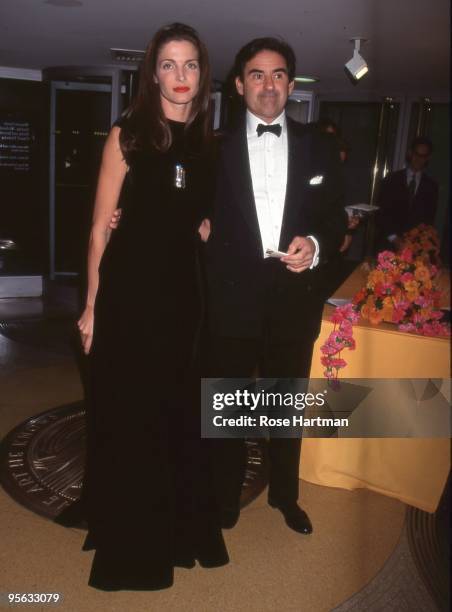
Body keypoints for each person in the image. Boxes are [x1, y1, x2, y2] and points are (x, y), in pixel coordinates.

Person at [55, 23, 228, 591]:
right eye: (170, 65)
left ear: (203, 75)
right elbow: (99, 230)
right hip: (129, 296)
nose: (180, 77)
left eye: (191, 66)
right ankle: (133, 543)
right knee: (133, 417)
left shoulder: (208, 142)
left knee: (177, 416)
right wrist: (91, 304)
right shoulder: (127, 133)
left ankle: (178, 530)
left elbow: (200, 213)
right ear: (152, 72)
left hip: (183, 299)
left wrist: (202, 225)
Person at [204, 38, 348, 535]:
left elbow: (336, 218)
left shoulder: (320, 145)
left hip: (293, 298)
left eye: (279, 74)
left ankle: (286, 496)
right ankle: (224, 498)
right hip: (230, 298)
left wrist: (315, 243)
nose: (269, 85)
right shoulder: (212, 146)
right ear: (240, 84)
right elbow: (185, 210)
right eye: (258, 75)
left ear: (292, 84)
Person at [376, 136, 438, 250]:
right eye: (416, 154)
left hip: (415, 248)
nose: (419, 159)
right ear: (410, 153)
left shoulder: (432, 187)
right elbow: (381, 213)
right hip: (388, 244)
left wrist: (416, 243)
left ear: (428, 158)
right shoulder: (391, 180)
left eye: (423, 156)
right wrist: (394, 238)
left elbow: (428, 220)